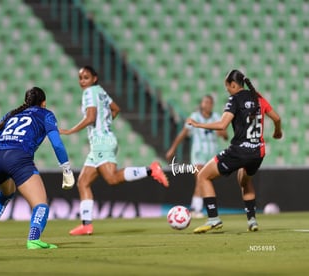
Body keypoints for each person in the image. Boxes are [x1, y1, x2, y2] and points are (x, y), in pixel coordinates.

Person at [59, 65, 169, 236]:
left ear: (94, 78)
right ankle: (86, 225)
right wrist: (106, 124)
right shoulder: (100, 91)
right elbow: (115, 109)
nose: (82, 81)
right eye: (80, 78)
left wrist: (69, 131)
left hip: (102, 142)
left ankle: (151, 170)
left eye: (86, 77)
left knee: (111, 179)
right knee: (83, 182)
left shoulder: (89, 93)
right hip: (101, 143)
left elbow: (90, 118)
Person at [0, 87, 74, 249]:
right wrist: (66, 170)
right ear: (43, 103)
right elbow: (57, 144)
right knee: (40, 204)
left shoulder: (12, 113)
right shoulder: (46, 114)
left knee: (6, 193)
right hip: (17, 158)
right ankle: (33, 239)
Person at [187, 69, 282, 233]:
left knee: (203, 176)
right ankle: (252, 221)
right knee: (244, 180)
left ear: (233, 84)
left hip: (239, 151)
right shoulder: (257, 97)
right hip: (257, 153)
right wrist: (277, 131)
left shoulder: (235, 99)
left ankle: (213, 219)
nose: (227, 90)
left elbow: (221, 125)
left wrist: (198, 124)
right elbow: (277, 118)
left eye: (227, 87)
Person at [165, 95, 228, 218]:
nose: (207, 104)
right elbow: (183, 134)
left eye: (210, 102)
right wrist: (172, 149)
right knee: (201, 178)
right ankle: (196, 208)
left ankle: (195, 207)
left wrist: (222, 133)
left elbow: (225, 136)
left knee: (204, 180)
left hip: (212, 155)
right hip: (198, 154)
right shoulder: (195, 117)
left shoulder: (216, 117)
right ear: (202, 104)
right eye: (205, 102)